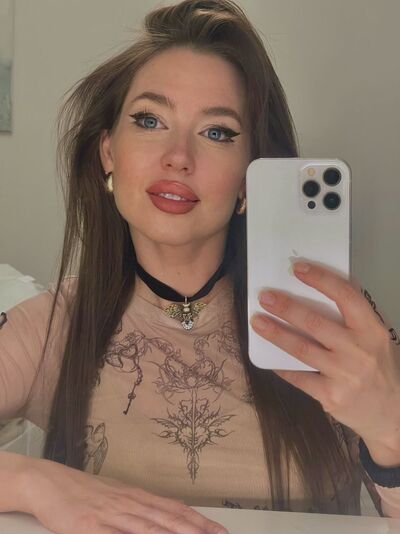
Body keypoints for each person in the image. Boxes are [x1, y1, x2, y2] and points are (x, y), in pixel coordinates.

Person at [1, 0, 400, 532]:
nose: (178, 156)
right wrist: (31, 481)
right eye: (150, 120)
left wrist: (391, 433)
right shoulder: (53, 326)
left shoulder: (337, 325)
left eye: (217, 132)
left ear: (250, 176)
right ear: (108, 153)